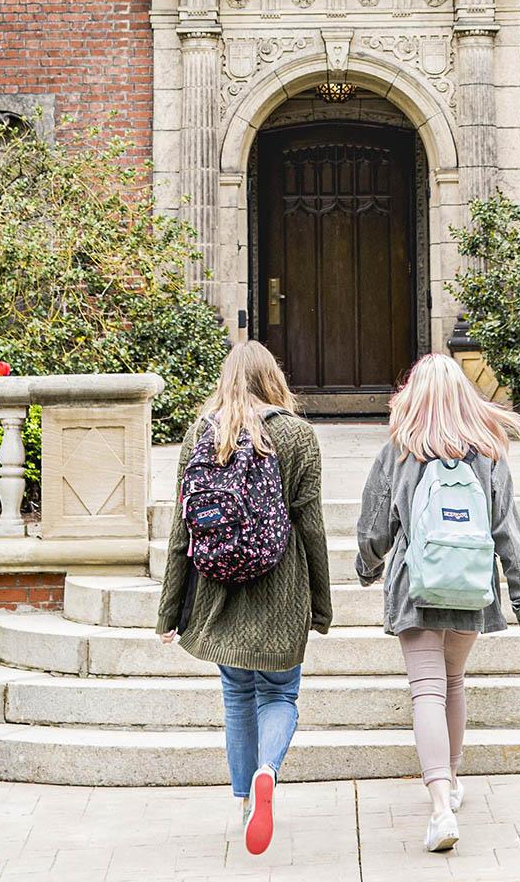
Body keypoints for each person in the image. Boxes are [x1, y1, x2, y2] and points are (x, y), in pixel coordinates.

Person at [355, 353, 520, 854]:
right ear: (464, 395)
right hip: (470, 587)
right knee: (454, 681)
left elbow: (376, 529)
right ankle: (453, 783)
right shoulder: (489, 453)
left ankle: (439, 806)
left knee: (426, 691)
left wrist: (367, 568)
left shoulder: (398, 451)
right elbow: (507, 529)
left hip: (417, 586)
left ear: (413, 396)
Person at [156, 341, 331, 856]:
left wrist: (170, 611)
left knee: (236, 695)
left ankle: (242, 799)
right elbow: (311, 527)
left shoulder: (200, 435)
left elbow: (180, 532)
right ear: (274, 379)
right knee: (279, 695)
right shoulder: (297, 436)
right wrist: (321, 604)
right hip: (281, 590)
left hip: (217, 590)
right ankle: (267, 773)